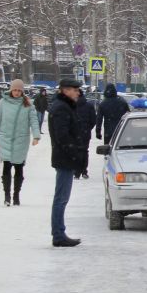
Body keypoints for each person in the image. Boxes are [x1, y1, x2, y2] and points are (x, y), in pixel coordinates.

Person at [0, 79, 40, 206]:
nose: (17, 92)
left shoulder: (28, 103)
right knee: (6, 166)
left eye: (19, 90)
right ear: (11, 90)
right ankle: (7, 195)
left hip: (21, 139)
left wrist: (36, 136)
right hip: (5, 138)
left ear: (22, 92)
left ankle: (16, 195)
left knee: (19, 167)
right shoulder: (3, 102)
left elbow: (33, 120)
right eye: (15, 90)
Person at [47, 79, 84, 247]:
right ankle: (58, 234)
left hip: (64, 157)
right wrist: (74, 153)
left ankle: (59, 232)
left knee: (61, 198)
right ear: (65, 91)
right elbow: (62, 136)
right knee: (61, 198)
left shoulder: (63, 106)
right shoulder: (61, 108)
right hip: (64, 158)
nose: (78, 93)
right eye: (75, 90)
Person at [74, 89, 98, 179]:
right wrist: (88, 128)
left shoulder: (72, 105)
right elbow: (93, 120)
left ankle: (76, 172)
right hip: (85, 132)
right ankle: (84, 171)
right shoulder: (89, 106)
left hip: (74, 133)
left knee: (76, 151)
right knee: (84, 151)